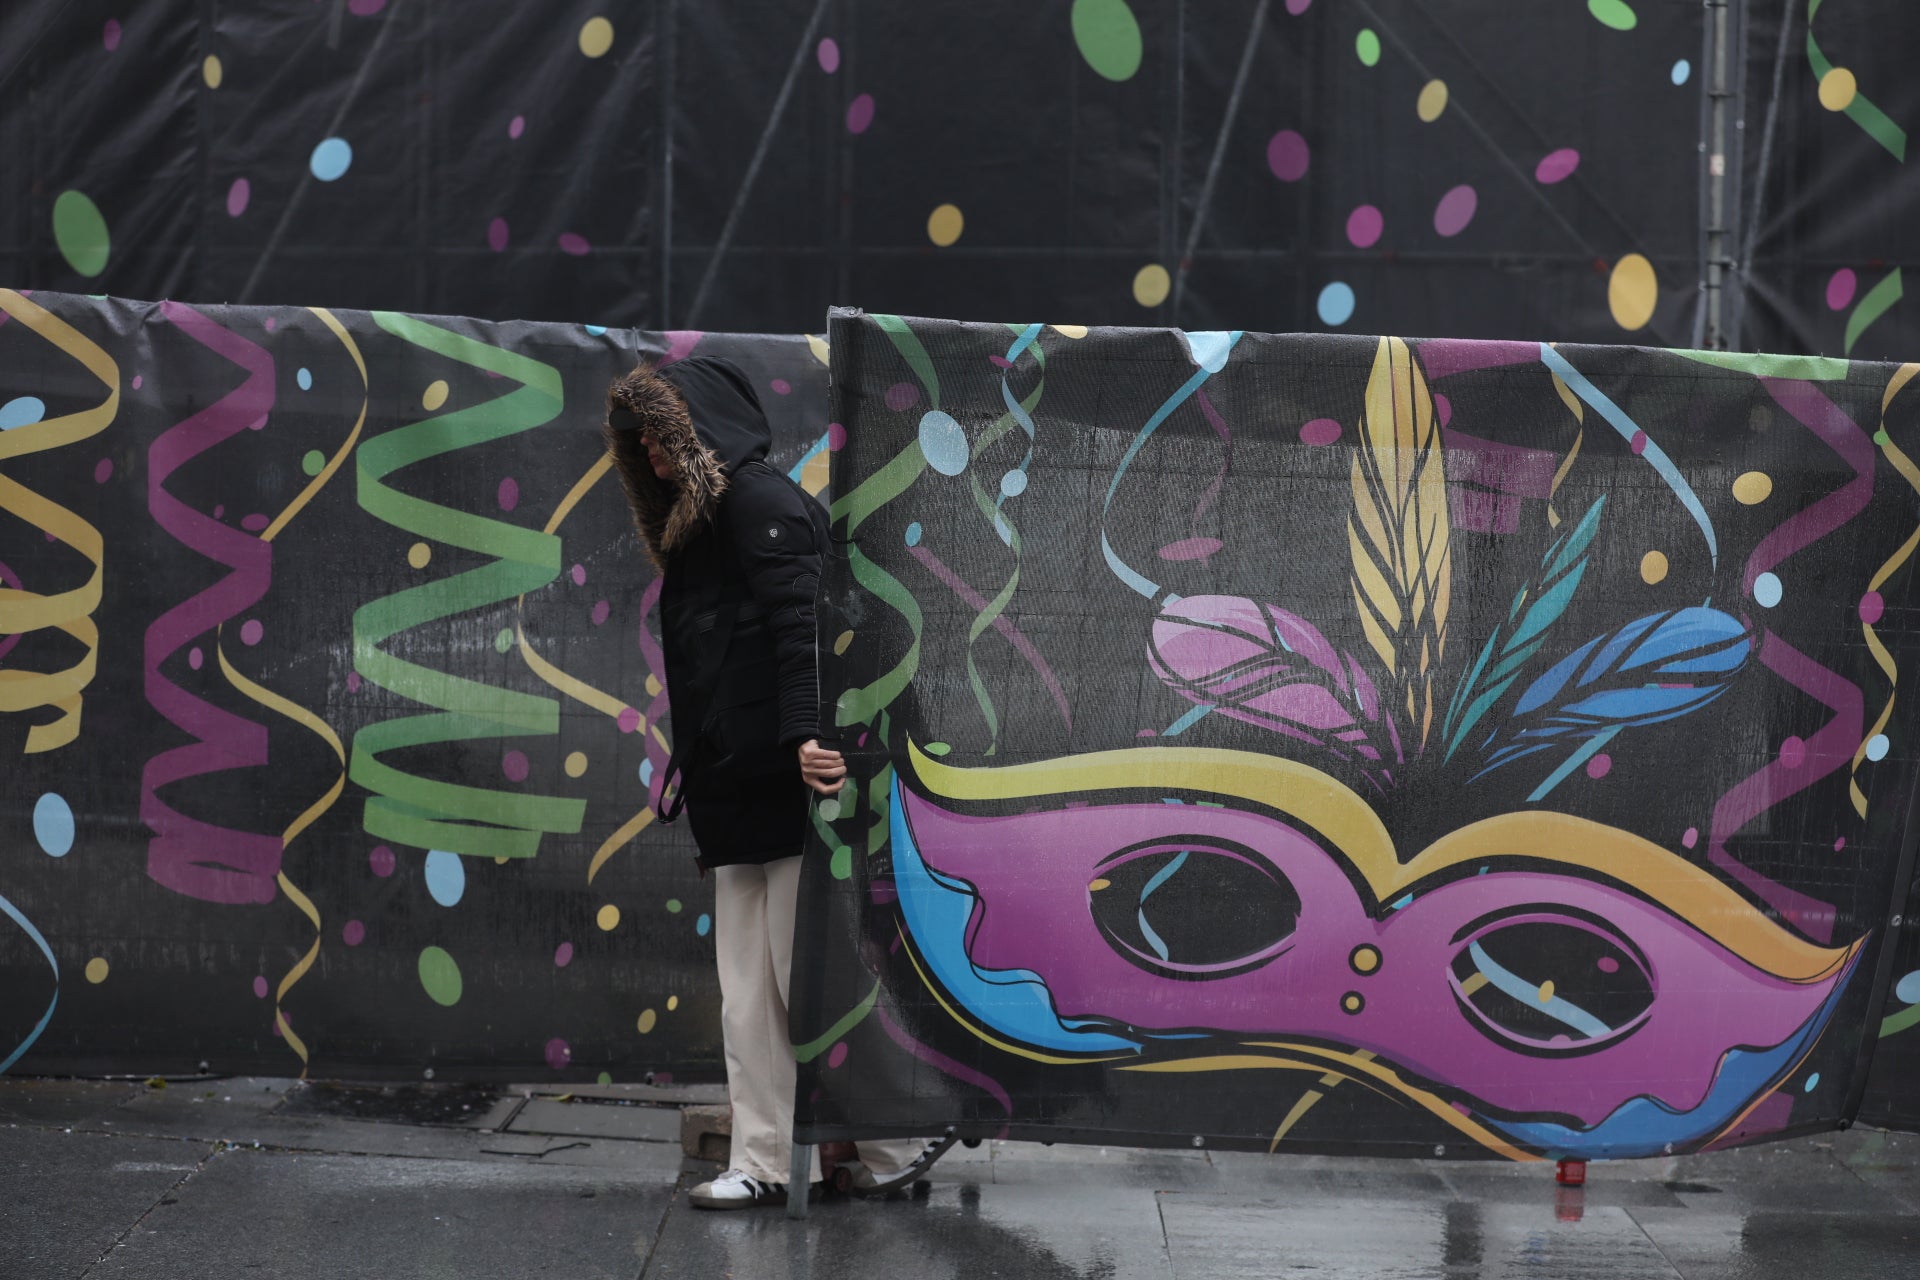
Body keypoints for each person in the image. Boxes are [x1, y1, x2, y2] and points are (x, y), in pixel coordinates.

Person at [603, 355, 930, 1210]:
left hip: (791, 783)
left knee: (811, 978)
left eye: (660, 432)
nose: (648, 450)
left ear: (700, 426)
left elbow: (808, 628)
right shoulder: (705, 523)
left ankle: (893, 1145)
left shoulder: (757, 503)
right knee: (751, 989)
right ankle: (769, 1160)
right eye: (638, 439)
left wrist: (811, 737)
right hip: (739, 786)